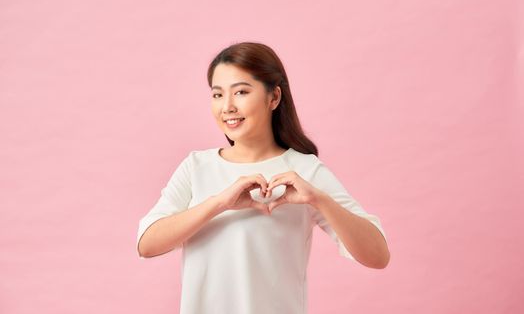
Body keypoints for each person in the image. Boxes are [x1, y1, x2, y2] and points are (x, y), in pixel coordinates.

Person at [136, 42, 390, 314]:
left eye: (241, 92)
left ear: (274, 98)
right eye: (217, 95)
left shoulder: (304, 170)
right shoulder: (196, 167)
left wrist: (319, 199)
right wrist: (220, 203)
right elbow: (147, 244)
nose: (227, 106)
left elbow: (378, 256)